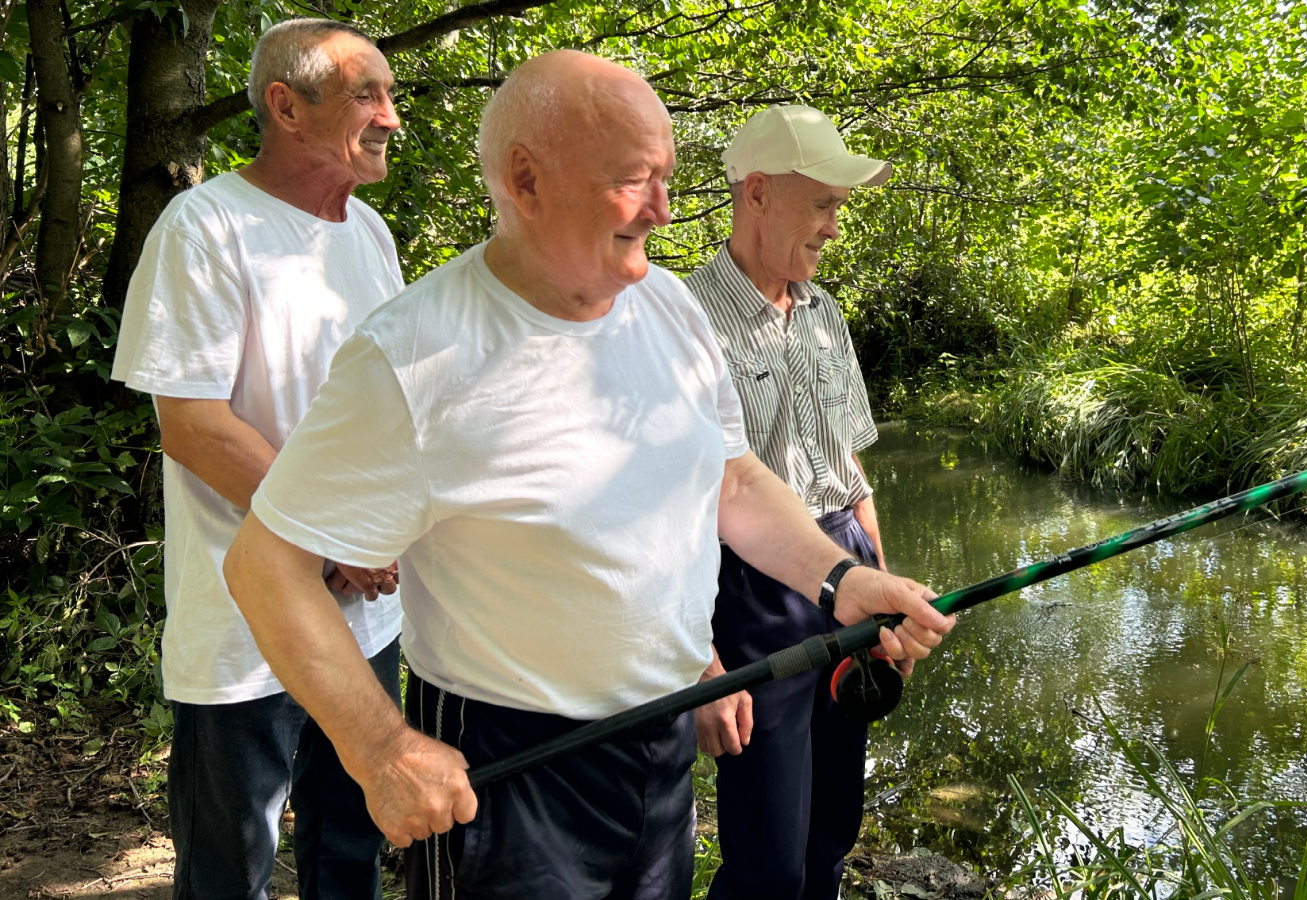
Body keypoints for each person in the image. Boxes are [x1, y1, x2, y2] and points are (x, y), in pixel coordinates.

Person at [220, 49, 955, 900]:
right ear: (525, 180)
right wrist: (381, 748)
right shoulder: (411, 356)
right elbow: (265, 567)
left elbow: (734, 481)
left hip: (659, 747)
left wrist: (842, 579)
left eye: (668, 178)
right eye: (635, 179)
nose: (663, 209)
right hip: (511, 767)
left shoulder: (670, 308)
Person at [109, 18, 404, 900]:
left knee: (349, 851)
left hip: (367, 622)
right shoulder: (205, 227)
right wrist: (331, 537)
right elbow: (193, 425)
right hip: (245, 629)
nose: (393, 115)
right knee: (229, 868)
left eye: (390, 93)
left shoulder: (370, 234)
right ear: (286, 105)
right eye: (367, 94)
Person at [682, 104, 894, 900]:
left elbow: (851, 467)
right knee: (766, 845)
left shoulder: (823, 312)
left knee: (833, 821)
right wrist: (700, 661)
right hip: (747, 585)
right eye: (824, 204)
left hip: (845, 566)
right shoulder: (687, 320)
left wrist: (881, 588)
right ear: (759, 193)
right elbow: (670, 512)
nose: (835, 228)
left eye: (838, 207)